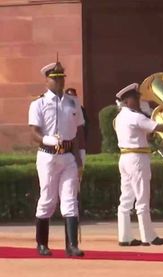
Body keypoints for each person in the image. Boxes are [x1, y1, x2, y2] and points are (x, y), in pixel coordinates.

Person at [28, 61, 85, 257]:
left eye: (61, 78)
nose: (59, 81)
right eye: (55, 78)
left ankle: (72, 245)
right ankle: (42, 243)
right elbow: (33, 132)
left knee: (70, 200)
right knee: (48, 199)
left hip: (68, 155)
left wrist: (79, 159)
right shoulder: (39, 103)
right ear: (47, 80)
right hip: (48, 156)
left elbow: (77, 133)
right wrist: (46, 138)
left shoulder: (72, 102)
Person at [114, 83, 163, 247]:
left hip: (125, 157)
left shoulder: (120, 117)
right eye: (135, 98)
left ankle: (125, 237)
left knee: (126, 199)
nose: (138, 101)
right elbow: (159, 127)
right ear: (127, 101)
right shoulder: (135, 117)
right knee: (142, 198)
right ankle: (148, 237)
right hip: (137, 158)